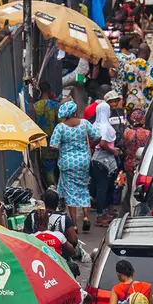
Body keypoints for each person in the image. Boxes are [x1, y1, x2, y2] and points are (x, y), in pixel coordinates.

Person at [50, 100, 100, 233]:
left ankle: (74, 224)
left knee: (71, 192)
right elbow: (97, 136)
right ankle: (85, 217)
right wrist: (90, 146)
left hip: (67, 162)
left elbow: (53, 146)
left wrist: (63, 147)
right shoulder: (84, 123)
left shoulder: (60, 127)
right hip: (83, 160)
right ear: (74, 112)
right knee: (83, 187)